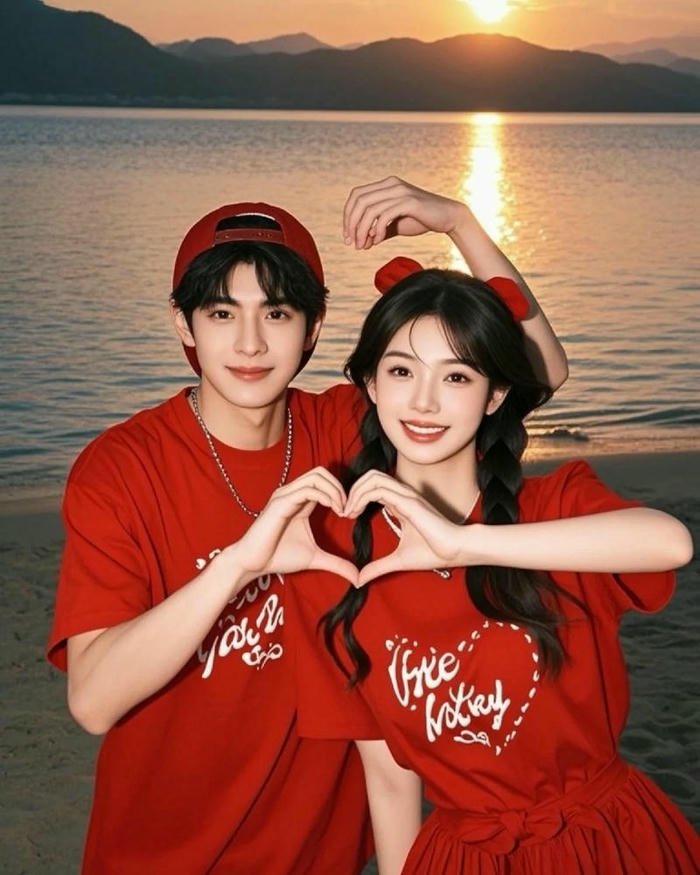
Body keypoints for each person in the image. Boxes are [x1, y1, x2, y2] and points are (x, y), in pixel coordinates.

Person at [46, 179, 567, 873]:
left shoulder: (347, 430)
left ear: (314, 328)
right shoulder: (121, 469)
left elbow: (531, 371)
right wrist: (239, 563)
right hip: (158, 851)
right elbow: (93, 700)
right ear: (183, 325)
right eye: (222, 312)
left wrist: (459, 223)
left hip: (323, 851)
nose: (252, 342)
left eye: (279, 312)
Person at [282, 255, 698, 874]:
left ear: (495, 393)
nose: (423, 402)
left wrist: (464, 544)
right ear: (369, 382)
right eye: (401, 370)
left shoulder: (555, 507)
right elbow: (389, 773)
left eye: (456, 377)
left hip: (604, 843)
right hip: (462, 857)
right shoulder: (333, 558)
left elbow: (669, 543)